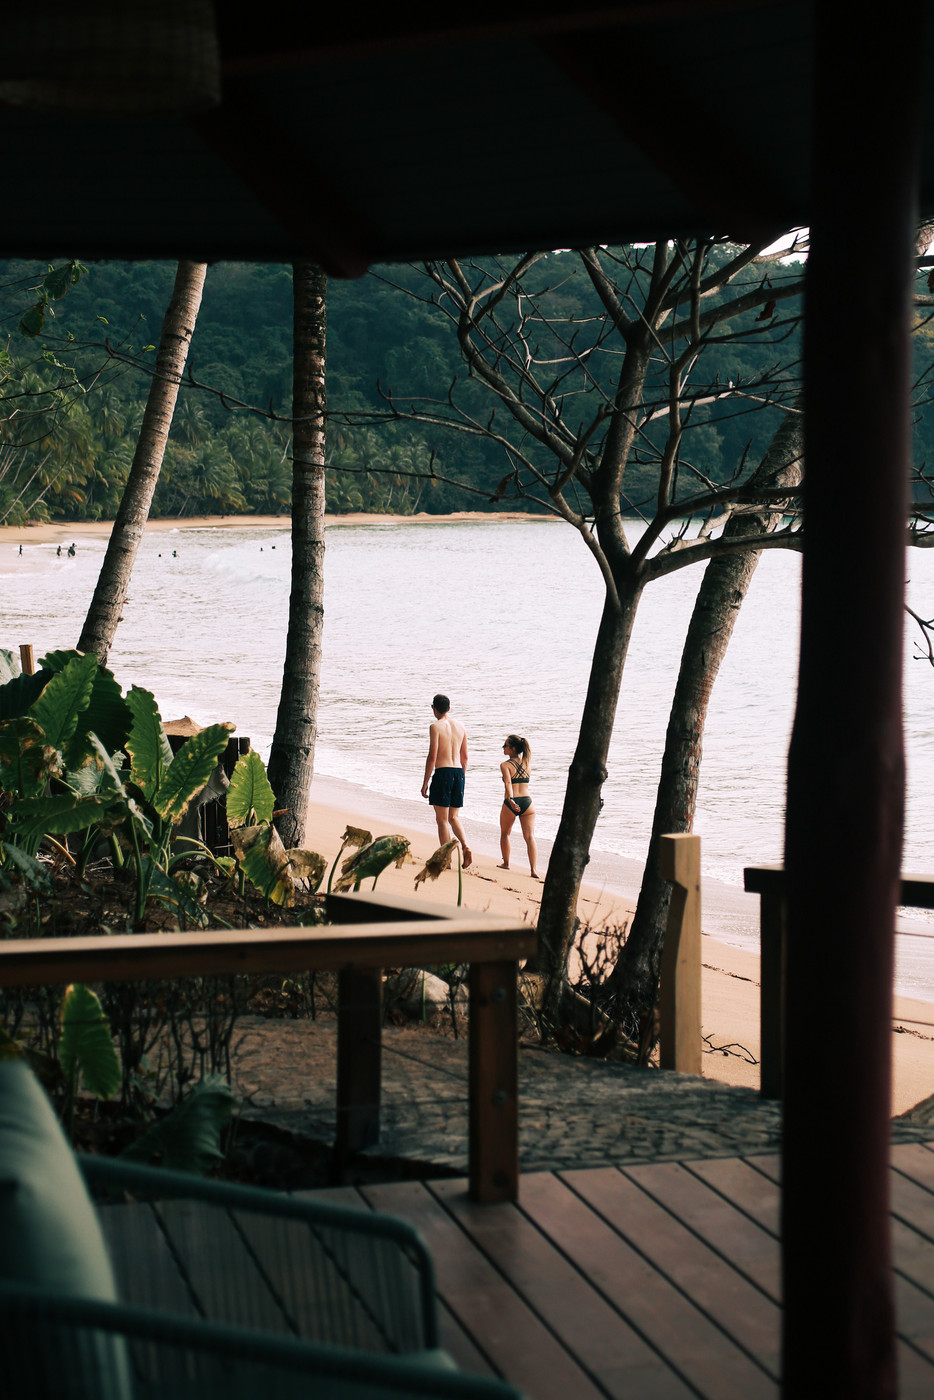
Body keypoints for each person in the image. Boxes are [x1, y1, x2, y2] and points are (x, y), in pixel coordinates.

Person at [422, 693, 471, 867]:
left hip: (442, 773)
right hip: (458, 773)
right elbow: (464, 757)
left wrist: (425, 782)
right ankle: (465, 845)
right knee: (454, 817)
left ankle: (447, 858)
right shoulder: (461, 726)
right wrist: (462, 778)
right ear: (449, 708)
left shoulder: (435, 727)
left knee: (442, 820)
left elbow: (432, 756)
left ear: (434, 709)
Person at [499, 734, 539, 878]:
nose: (503, 747)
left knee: (505, 833)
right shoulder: (527, 763)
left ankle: (506, 863)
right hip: (528, 802)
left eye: (505, 745)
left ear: (513, 749)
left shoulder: (505, 765)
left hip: (513, 801)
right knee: (530, 837)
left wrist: (510, 800)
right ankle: (533, 870)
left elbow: (508, 783)